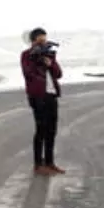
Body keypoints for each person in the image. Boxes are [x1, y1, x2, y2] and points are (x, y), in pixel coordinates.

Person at [20, 27, 65, 175]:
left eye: (45, 40)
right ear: (33, 41)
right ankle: (38, 164)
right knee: (41, 129)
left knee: (52, 130)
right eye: (40, 40)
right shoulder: (26, 55)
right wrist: (37, 60)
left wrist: (50, 63)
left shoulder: (49, 55)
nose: (43, 43)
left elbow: (58, 74)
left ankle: (50, 162)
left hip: (51, 95)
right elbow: (29, 73)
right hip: (38, 96)